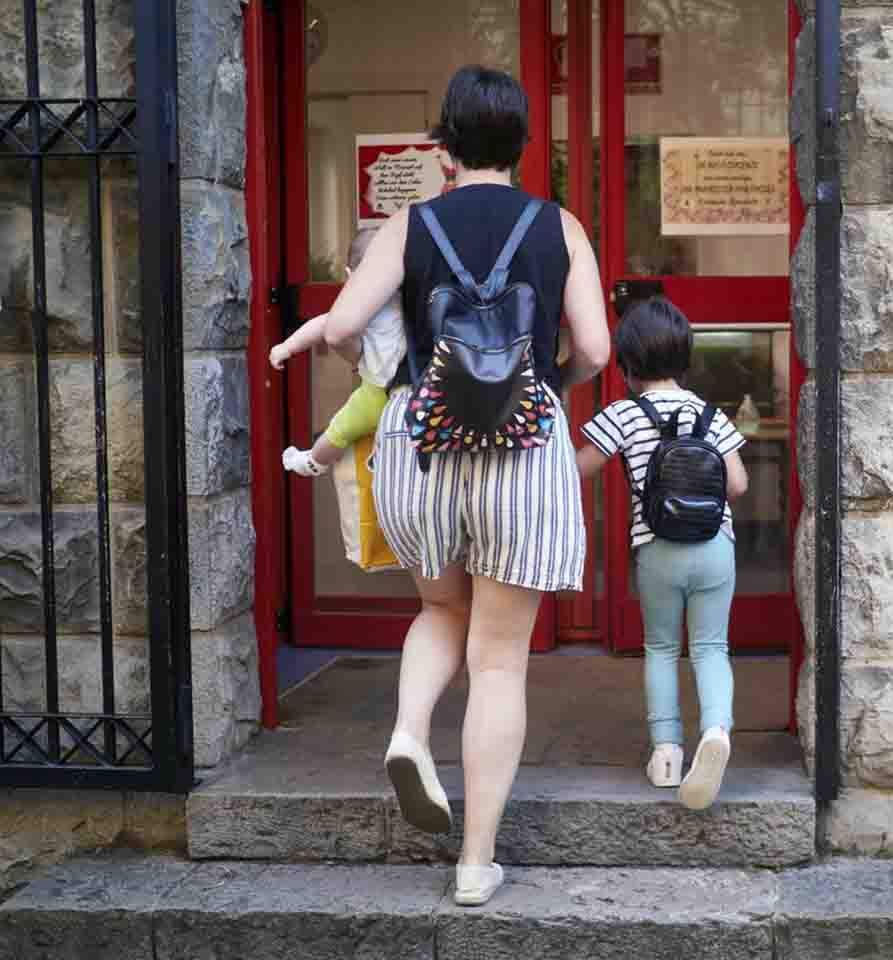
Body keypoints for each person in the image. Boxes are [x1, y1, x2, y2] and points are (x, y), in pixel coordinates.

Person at [318, 66, 610, 906]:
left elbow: (340, 327)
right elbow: (594, 349)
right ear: (522, 146)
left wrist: (393, 374)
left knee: (440, 610)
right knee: (500, 660)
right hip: (524, 448)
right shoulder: (561, 226)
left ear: (444, 147)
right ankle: (476, 862)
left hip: (422, 446)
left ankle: (410, 732)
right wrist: (542, 376)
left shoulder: (409, 225)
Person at [576, 297, 749, 811]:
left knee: (660, 648)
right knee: (712, 646)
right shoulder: (710, 414)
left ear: (628, 363)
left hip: (656, 548)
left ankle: (667, 752)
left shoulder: (623, 415)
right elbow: (736, 484)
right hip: (715, 546)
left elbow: (576, 469)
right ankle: (716, 732)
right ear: (684, 356)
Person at [269, 228, 405, 478]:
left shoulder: (361, 305)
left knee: (338, 431)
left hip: (376, 393)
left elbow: (324, 325)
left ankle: (313, 461)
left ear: (350, 275)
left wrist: (286, 347)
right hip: (414, 391)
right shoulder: (409, 300)